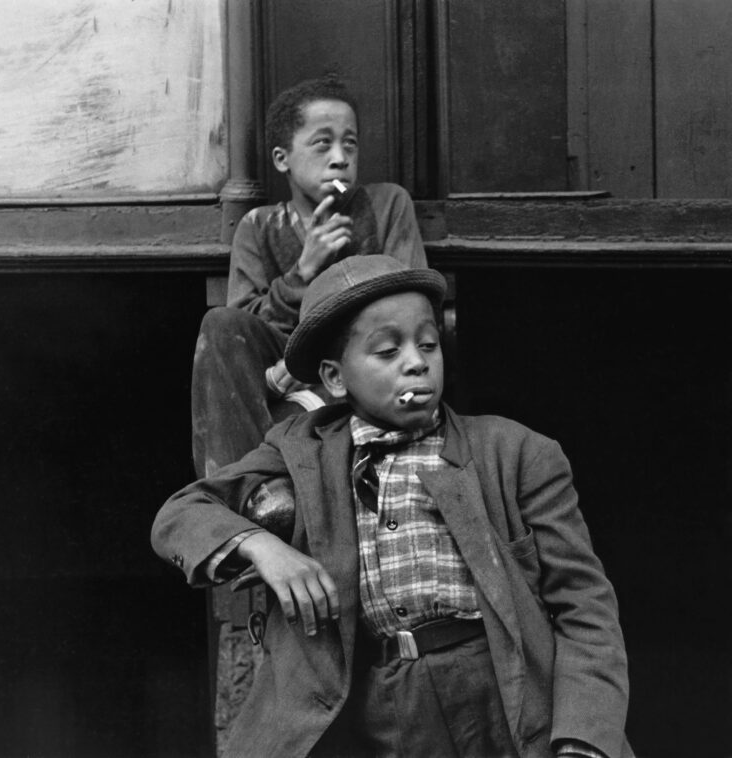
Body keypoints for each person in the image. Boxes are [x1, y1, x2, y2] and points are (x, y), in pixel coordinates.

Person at [153, 255, 632, 758]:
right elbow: (182, 513)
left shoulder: (515, 452)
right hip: (371, 708)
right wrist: (263, 547)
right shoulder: (299, 450)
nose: (417, 361)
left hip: (503, 698)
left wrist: (582, 741)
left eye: (427, 344)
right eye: (387, 350)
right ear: (335, 379)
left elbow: (585, 607)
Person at [193, 76, 427, 479]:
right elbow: (244, 333)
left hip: (362, 368)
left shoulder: (388, 204)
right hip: (281, 369)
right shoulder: (258, 225)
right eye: (323, 143)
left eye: (349, 143)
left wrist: (341, 275)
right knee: (220, 324)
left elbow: (411, 306)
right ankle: (243, 490)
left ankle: (266, 473)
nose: (340, 158)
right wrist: (304, 270)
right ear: (283, 159)